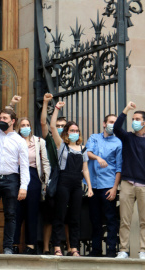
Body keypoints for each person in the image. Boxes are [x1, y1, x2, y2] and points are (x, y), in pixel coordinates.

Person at [0, 83, 30, 255]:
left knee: (10, 215)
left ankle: (8, 247)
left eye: (4, 119)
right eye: (0, 118)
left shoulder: (19, 141)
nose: (1, 121)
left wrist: (23, 186)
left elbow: (24, 166)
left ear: (12, 121)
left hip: (11, 180)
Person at [114, 101, 145, 260]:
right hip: (127, 183)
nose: (134, 121)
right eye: (133, 118)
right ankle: (123, 250)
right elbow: (116, 128)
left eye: (137, 119)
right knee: (125, 220)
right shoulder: (127, 137)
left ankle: (143, 250)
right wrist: (126, 109)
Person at [49, 101, 93, 257]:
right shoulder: (61, 145)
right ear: (66, 132)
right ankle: (56, 246)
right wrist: (56, 109)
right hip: (63, 181)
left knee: (75, 217)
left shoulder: (83, 149)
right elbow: (53, 127)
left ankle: (74, 247)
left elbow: (85, 169)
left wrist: (90, 187)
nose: (74, 132)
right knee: (60, 215)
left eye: (76, 130)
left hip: (76, 184)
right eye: (71, 130)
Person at [12, 117, 51, 255]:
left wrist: (45, 183)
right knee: (16, 212)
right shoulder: (14, 140)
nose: (25, 127)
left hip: (34, 176)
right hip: (17, 176)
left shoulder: (39, 142)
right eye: (22, 125)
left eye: (27, 125)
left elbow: (45, 162)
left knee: (32, 212)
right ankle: (14, 244)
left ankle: (31, 245)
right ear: (18, 127)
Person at [85, 114, 122, 257]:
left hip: (108, 185)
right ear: (104, 123)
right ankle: (96, 250)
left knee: (111, 219)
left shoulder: (118, 142)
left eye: (115, 122)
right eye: (111, 122)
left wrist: (114, 188)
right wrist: (98, 157)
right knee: (95, 219)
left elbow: (119, 167)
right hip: (93, 186)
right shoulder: (94, 137)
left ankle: (111, 251)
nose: (113, 124)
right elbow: (88, 153)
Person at [40, 93, 69, 254]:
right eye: (58, 125)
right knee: (49, 218)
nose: (60, 128)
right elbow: (44, 123)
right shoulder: (50, 140)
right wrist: (45, 103)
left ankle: (71, 248)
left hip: (67, 183)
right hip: (52, 182)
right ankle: (45, 248)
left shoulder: (72, 143)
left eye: (63, 125)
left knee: (67, 218)